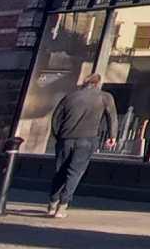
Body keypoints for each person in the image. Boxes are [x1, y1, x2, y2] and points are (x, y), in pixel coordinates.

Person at [47, 73, 118, 218]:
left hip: (66, 138)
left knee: (60, 171)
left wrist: (58, 136)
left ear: (85, 83)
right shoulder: (105, 97)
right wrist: (112, 136)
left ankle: (52, 202)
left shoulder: (70, 97)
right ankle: (63, 206)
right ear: (98, 84)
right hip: (87, 138)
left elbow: (56, 118)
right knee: (75, 172)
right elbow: (112, 117)